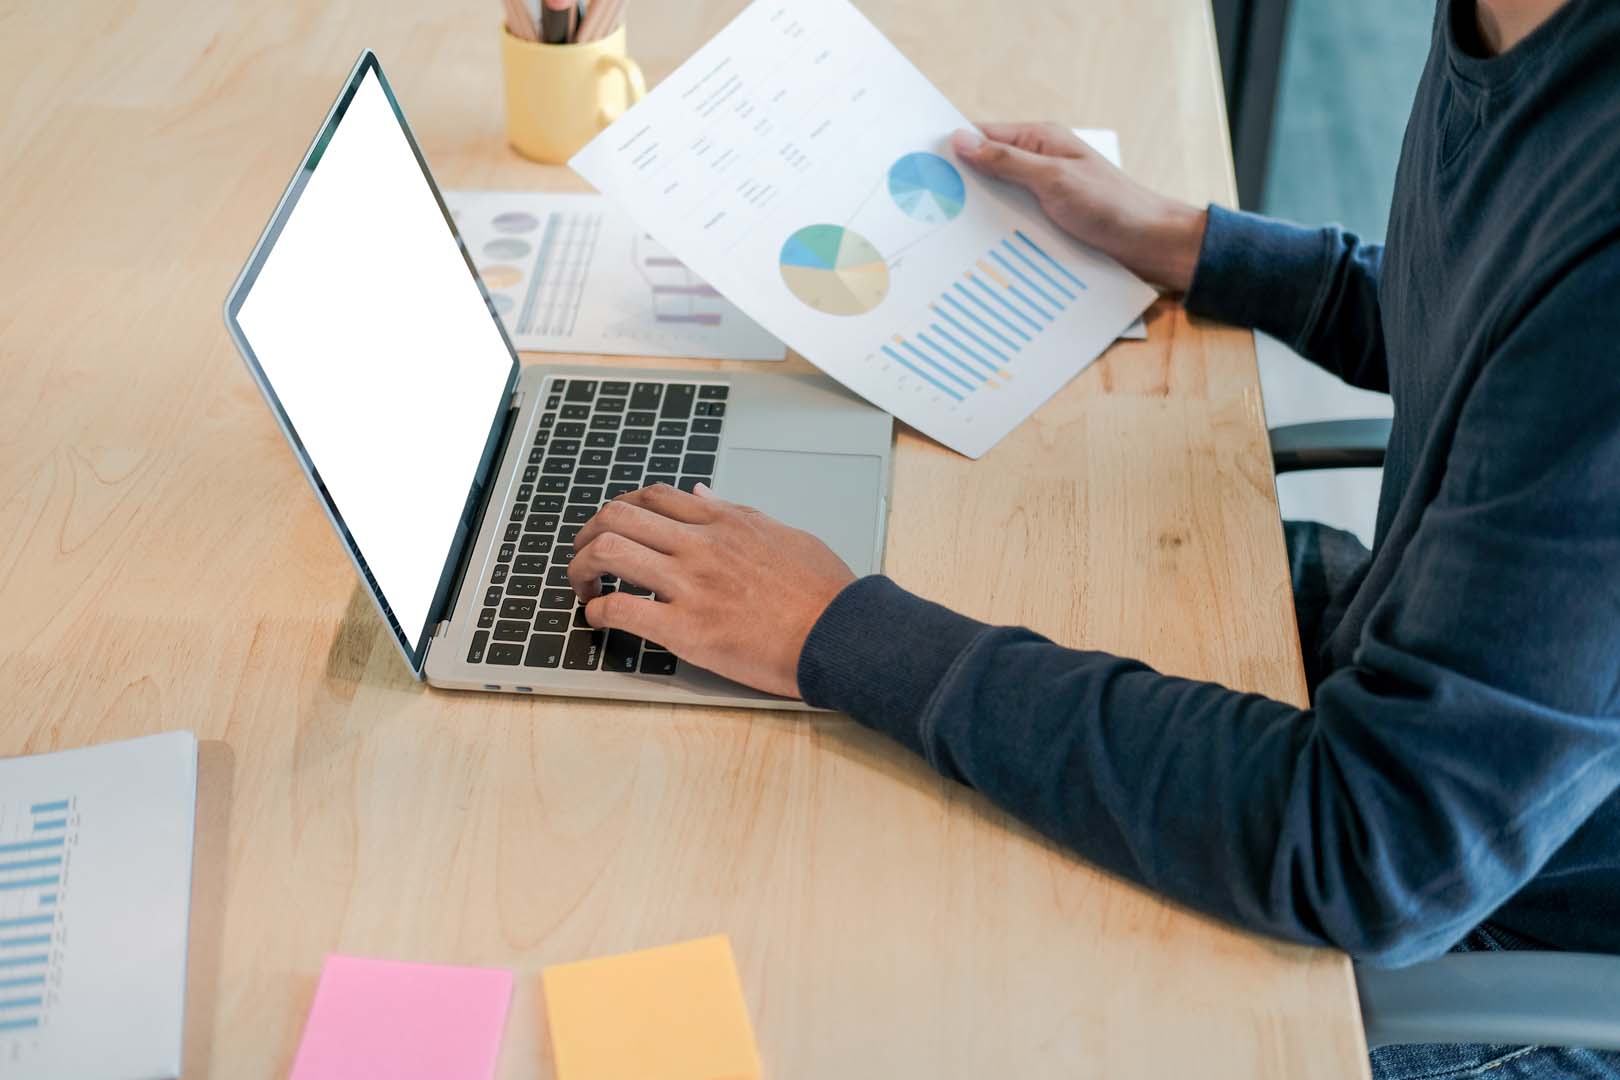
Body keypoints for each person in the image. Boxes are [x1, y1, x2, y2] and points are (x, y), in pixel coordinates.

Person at [568, 0, 1620, 1074]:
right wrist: (1182, 240)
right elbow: (1491, 322)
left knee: (861, 988)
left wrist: (829, 630)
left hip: (1487, 933)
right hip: (1402, 700)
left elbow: (1378, 853)